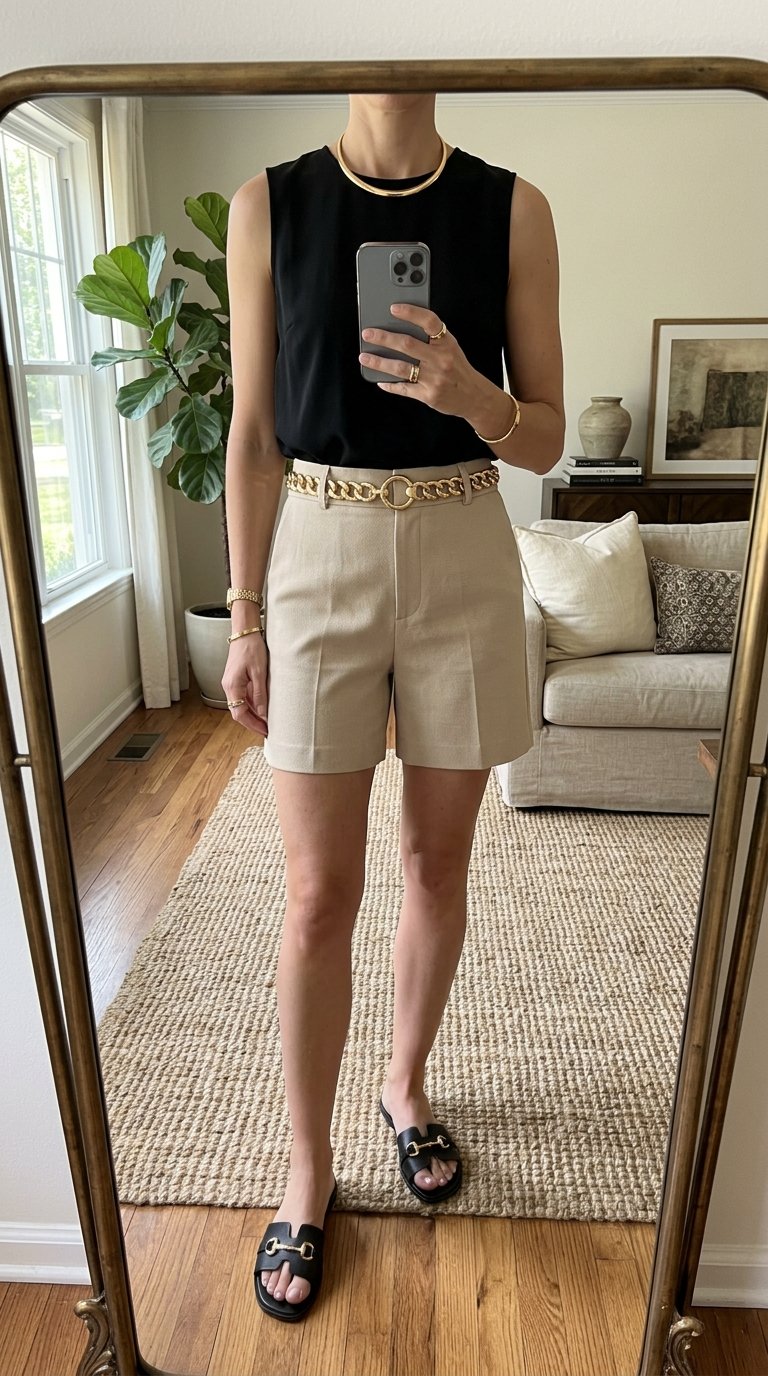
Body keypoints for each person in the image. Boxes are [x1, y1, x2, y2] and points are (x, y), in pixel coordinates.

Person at [222, 90, 565, 1323]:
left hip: (464, 535)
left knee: (436, 862)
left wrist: (473, 392)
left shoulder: (513, 208)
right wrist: (245, 613)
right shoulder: (270, 203)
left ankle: (404, 1083)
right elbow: (251, 431)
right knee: (319, 890)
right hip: (318, 544)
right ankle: (307, 1167)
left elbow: (546, 438)